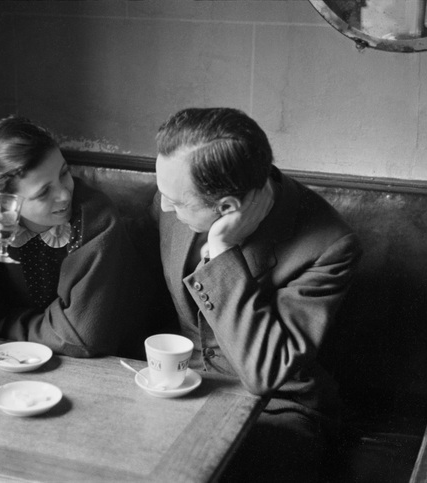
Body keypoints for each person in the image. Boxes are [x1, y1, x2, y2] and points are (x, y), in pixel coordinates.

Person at [150, 108, 362, 481]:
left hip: (275, 408)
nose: (164, 206)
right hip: (181, 386)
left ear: (228, 208)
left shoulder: (331, 245)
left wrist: (221, 250)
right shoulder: (174, 194)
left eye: (176, 202)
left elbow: (266, 372)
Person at [0, 116, 151, 358]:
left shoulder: (96, 219)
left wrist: (1, 324)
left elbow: (82, 338)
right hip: (2, 364)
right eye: (44, 191)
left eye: (64, 173)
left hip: (105, 368)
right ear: (1, 199)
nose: (64, 194)